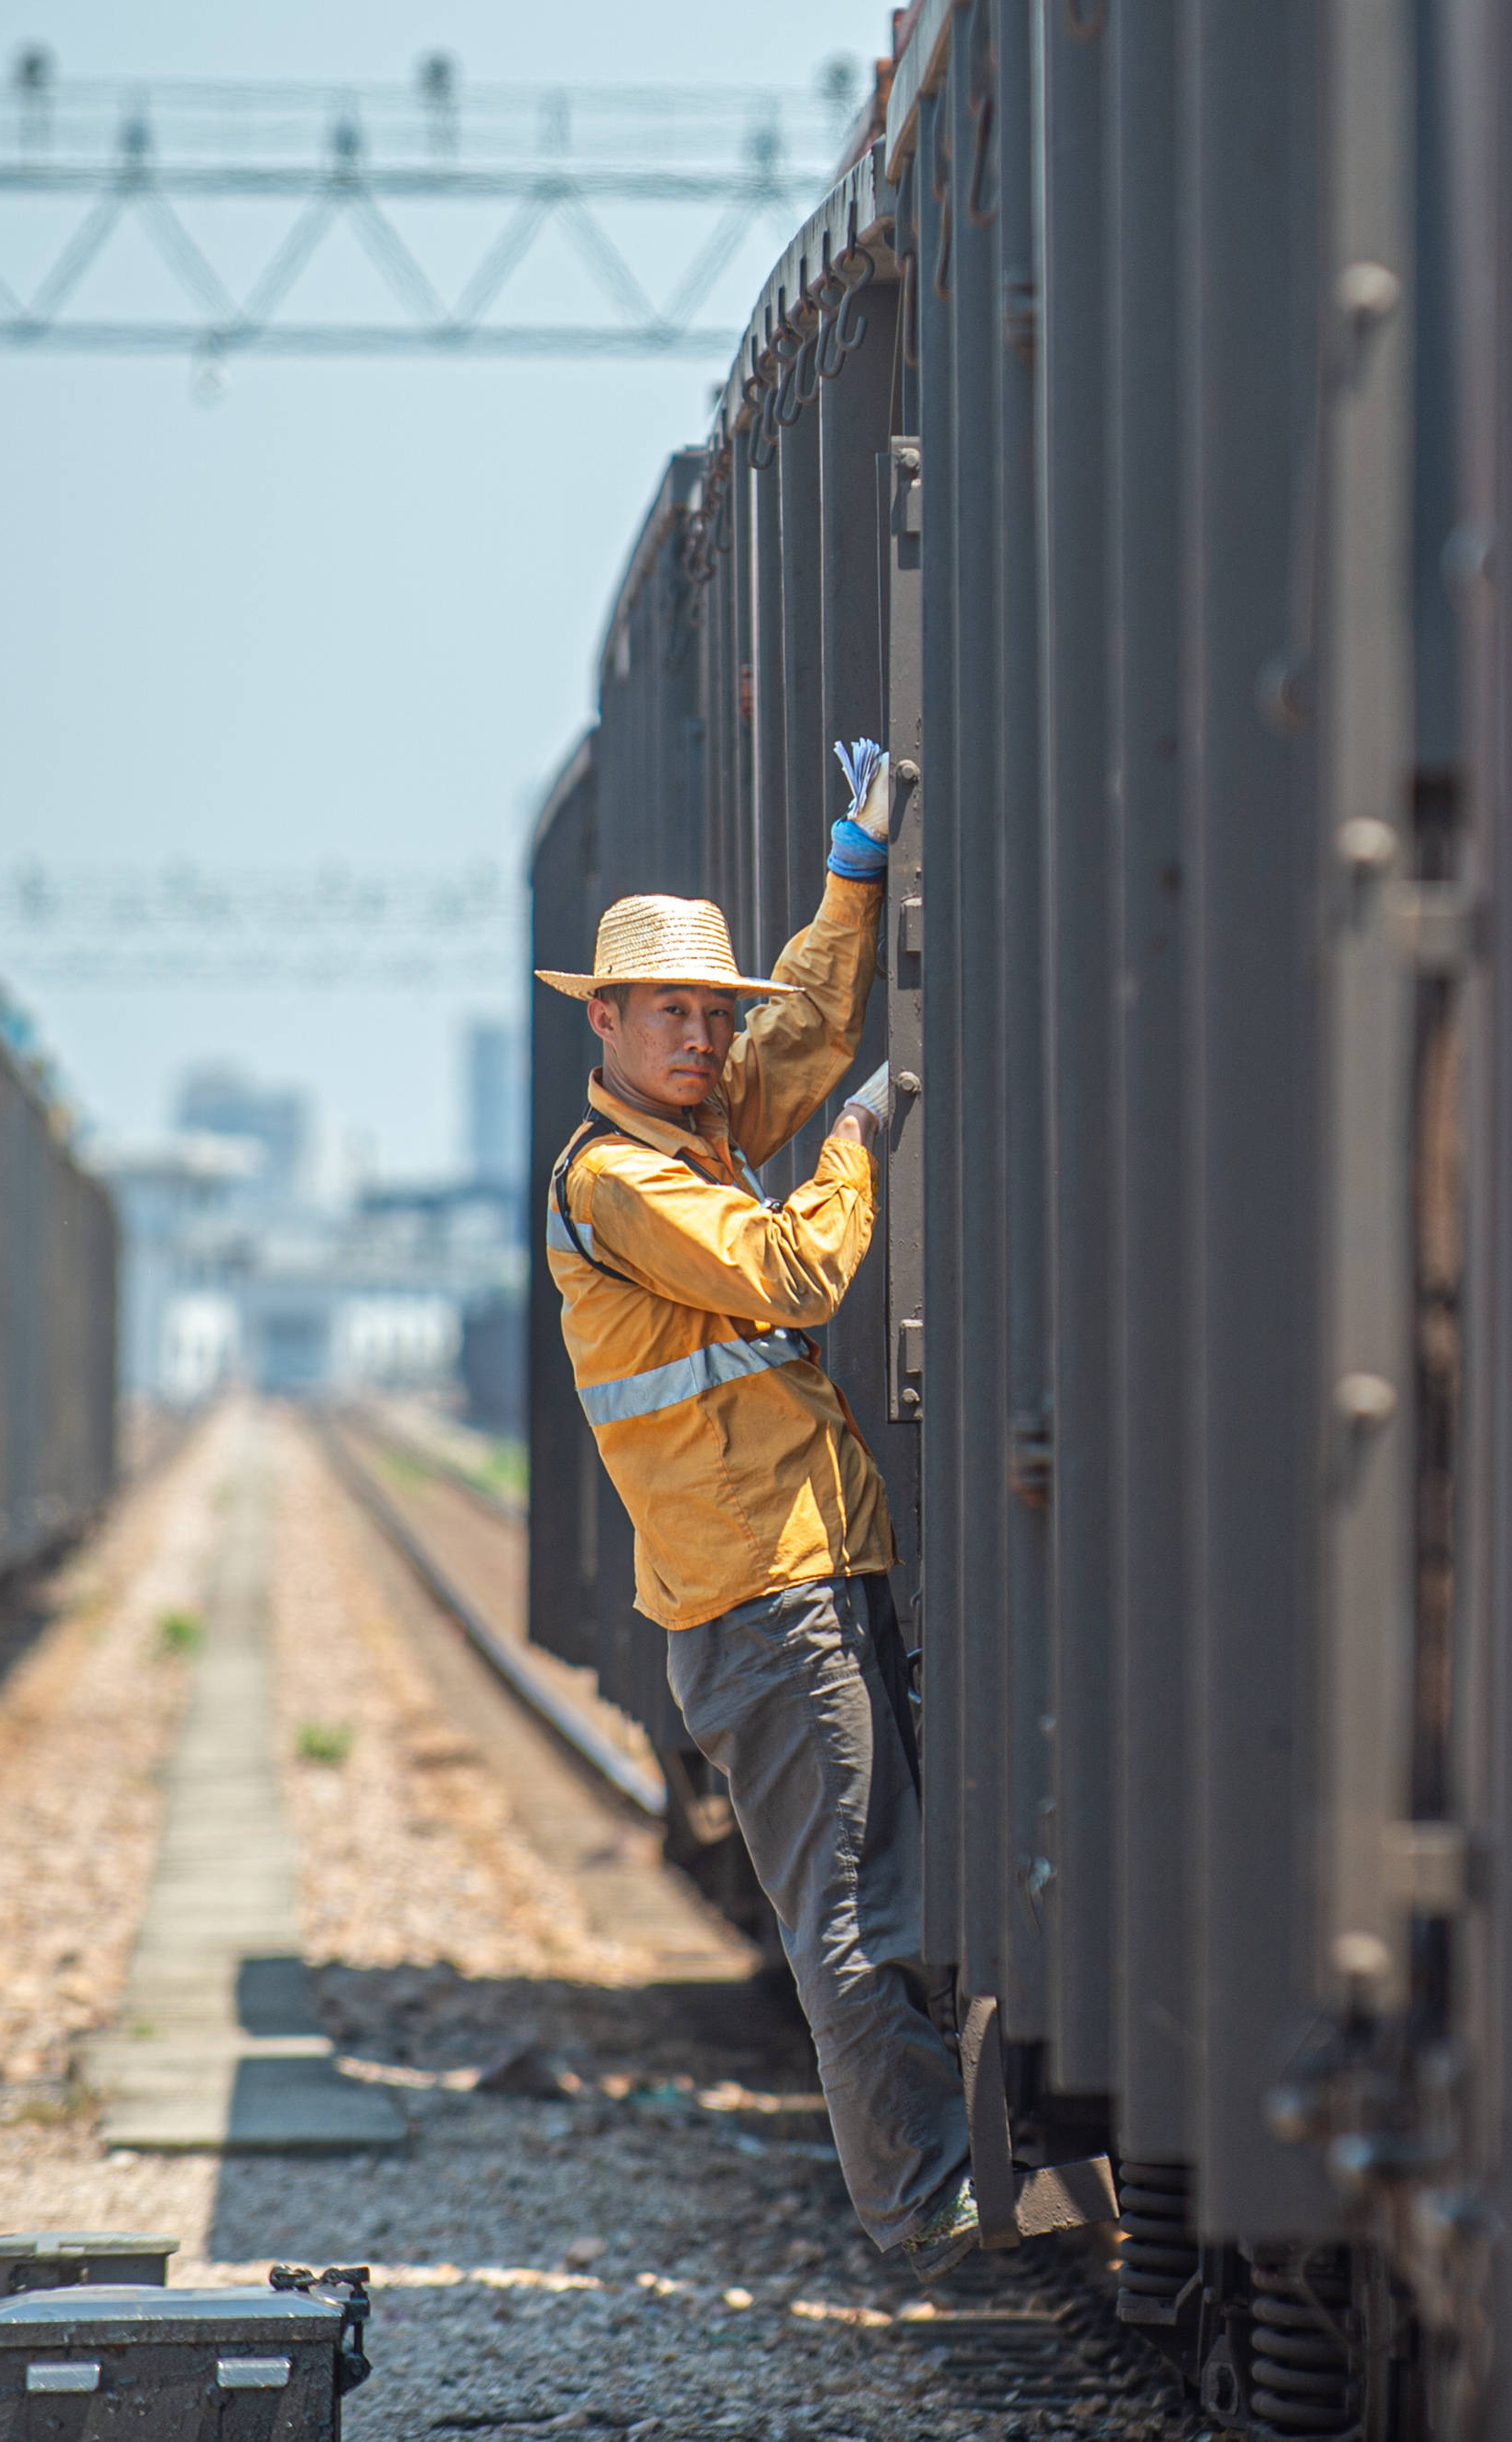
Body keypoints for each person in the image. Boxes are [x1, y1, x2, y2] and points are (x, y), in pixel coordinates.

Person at [531, 740, 977, 2276]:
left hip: (806, 1569)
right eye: (670, 1011)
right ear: (603, 1018)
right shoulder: (620, 1184)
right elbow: (793, 1270)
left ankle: (939, 2175)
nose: (704, 1036)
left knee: (883, 1891)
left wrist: (854, 871)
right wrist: (852, 1150)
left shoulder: (698, 1126)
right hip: (760, 1602)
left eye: (712, 1014)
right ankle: (922, 2202)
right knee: (854, 1912)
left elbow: (811, 1024)